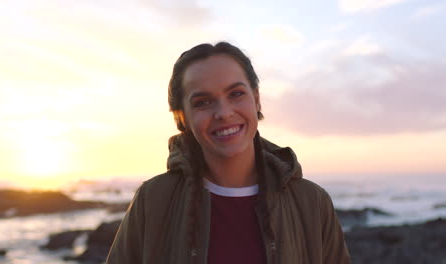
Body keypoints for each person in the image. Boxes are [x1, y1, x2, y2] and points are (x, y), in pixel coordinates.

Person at [106, 42, 350, 264]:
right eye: (202, 102)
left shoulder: (312, 202)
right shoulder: (153, 200)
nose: (223, 112)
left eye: (236, 94)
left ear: (256, 99)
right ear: (182, 118)